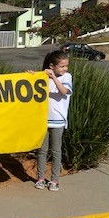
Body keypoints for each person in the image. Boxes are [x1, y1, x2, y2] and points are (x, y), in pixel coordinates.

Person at [34, 51, 72, 192]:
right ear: (52, 66)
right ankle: (40, 178)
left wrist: (53, 77)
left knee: (56, 151)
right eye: (62, 66)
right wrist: (32, 75)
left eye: (66, 66)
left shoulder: (67, 77)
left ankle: (54, 180)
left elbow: (64, 91)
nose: (65, 69)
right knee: (42, 151)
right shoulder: (43, 76)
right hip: (43, 120)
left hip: (58, 121)